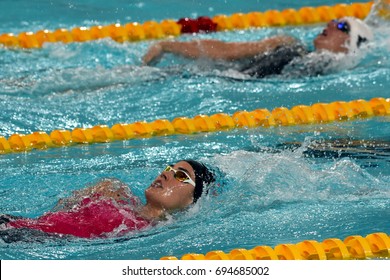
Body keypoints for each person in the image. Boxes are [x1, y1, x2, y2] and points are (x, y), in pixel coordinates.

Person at [0, 160, 214, 239]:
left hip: (27, 238)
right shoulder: (124, 203)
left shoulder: (150, 230)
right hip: (22, 224)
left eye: (181, 176)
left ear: (191, 201)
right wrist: (93, 191)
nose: (165, 174)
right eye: (169, 168)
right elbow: (61, 208)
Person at [142, 17, 374, 78]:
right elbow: (229, 51)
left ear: (350, 43)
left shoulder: (337, 69)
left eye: (342, 25)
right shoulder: (288, 44)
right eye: (335, 20)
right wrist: (167, 46)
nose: (331, 23)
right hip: (216, 78)